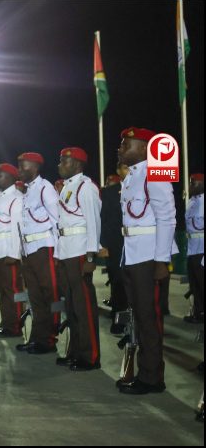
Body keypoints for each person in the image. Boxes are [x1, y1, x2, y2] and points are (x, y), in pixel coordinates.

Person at [116, 127, 175, 395]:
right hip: (133, 253)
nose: (120, 148)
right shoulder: (131, 178)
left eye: (125, 144)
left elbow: (167, 217)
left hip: (149, 256)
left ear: (143, 148)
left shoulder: (155, 173)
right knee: (139, 317)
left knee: (149, 319)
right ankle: (146, 373)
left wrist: (162, 261)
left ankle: (152, 378)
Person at [55, 147, 102, 371]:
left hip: (80, 251)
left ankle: (90, 356)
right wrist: (57, 254)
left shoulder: (86, 187)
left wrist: (91, 255)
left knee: (84, 307)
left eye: (64, 161)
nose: (60, 165)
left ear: (77, 164)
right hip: (65, 251)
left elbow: (93, 222)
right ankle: (75, 351)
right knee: (72, 307)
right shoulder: (66, 188)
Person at [16, 152, 60, 354]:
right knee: (35, 297)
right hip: (29, 250)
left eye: (22, 167)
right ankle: (37, 337)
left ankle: (49, 339)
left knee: (49, 295)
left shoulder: (45, 188)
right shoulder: (27, 191)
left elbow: (57, 220)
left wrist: (58, 252)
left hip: (44, 247)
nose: (19, 170)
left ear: (34, 168)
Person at [0, 164, 25, 337]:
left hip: (7, 250)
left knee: (11, 290)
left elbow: (17, 227)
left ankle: (13, 327)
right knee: (3, 290)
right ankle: (6, 323)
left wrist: (14, 253)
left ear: (9, 177)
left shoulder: (16, 198)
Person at [100, 164, 128, 333]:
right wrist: (104, 245)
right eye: (124, 168)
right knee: (118, 283)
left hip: (138, 243)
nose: (128, 171)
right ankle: (119, 320)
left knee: (137, 285)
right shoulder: (110, 192)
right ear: (118, 171)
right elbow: (105, 220)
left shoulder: (146, 187)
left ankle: (138, 322)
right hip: (116, 243)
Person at [184, 173, 204, 323]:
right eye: (191, 183)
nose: (190, 186)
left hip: (202, 250)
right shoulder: (191, 202)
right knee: (195, 284)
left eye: (194, 184)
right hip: (192, 249)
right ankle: (198, 313)